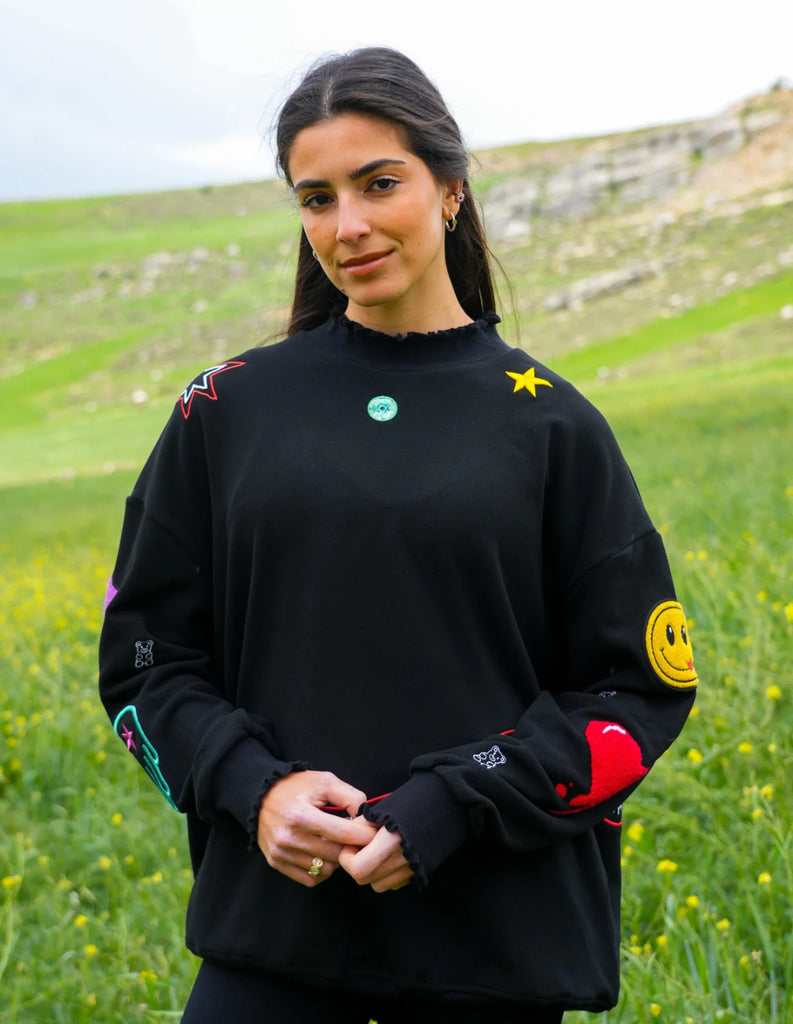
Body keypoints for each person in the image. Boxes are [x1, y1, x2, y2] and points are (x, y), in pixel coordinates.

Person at [98, 46, 697, 1023]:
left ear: (450, 189)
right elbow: (145, 661)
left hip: (493, 955)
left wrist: (455, 802)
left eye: (379, 183)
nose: (348, 225)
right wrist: (255, 788)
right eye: (316, 197)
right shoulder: (226, 410)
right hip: (275, 940)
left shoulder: (552, 425)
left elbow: (636, 690)